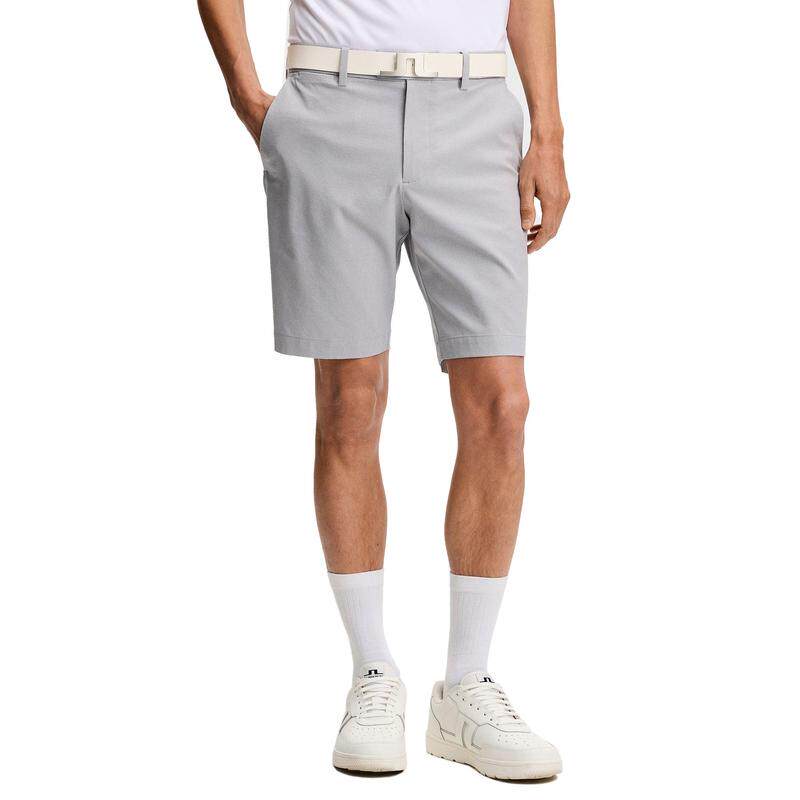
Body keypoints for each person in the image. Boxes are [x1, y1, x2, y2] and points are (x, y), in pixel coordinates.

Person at [198, 0, 569, 780]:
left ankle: (466, 685)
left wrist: (549, 132)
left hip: (475, 112)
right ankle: (372, 672)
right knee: (350, 399)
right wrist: (248, 97)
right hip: (331, 105)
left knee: (503, 404)